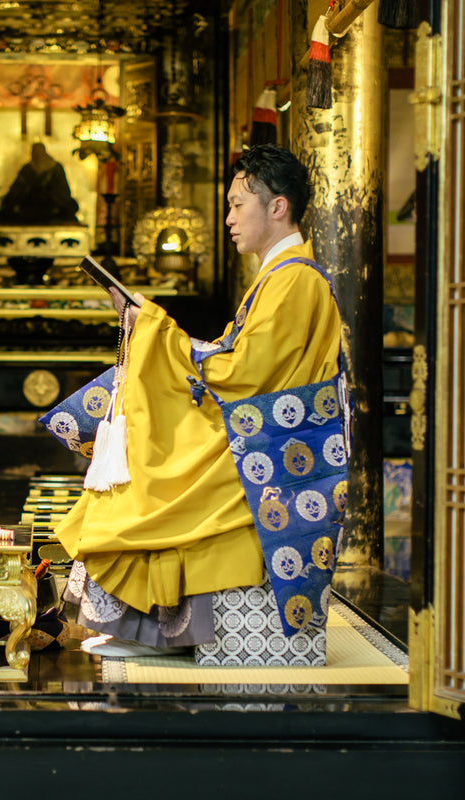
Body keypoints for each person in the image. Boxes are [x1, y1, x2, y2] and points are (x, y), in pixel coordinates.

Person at [56, 144, 343, 656]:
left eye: (237, 205)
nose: (228, 218)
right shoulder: (279, 276)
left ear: (277, 207)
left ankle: (155, 631)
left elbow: (244, 373)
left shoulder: (296, 279)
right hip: (255, 427)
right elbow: (236, 359)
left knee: (150, 472)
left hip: (265, 443)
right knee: (147, 443)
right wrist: (157, 331)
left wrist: (155, 327)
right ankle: (148, 625)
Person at [0, 142, 80, 225]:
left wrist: (52, 196)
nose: (37, 155)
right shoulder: (27, 169)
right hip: (30, 205)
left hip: (51, 205)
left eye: (39, 152)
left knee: (69, 208)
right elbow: (16, 189)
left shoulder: (56, 168)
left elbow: (63, 191)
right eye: (34, 152)